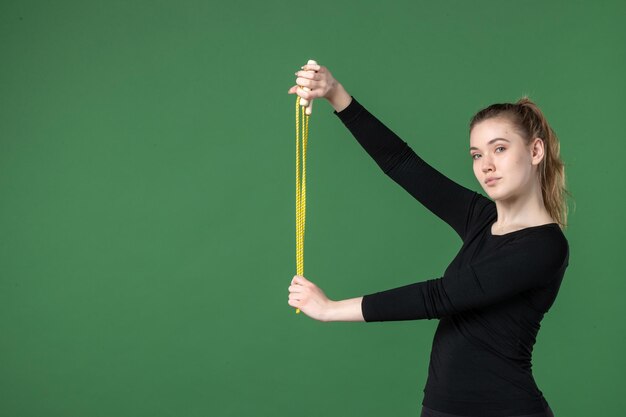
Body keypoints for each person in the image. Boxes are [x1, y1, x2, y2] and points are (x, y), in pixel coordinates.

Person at [287, 62, 569, 417]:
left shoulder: (544, 247)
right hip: (441, 408)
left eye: (499, 149)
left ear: (535, 151)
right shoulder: (481, 219)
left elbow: (441, 296)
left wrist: (330, 310)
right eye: (477, 155)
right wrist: (335, 93)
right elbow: (402, 163)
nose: (486, 165)